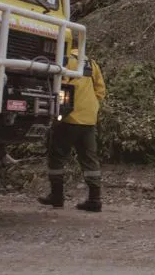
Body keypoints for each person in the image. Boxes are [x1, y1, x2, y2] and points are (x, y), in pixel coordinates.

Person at [38, 50, 106, 212]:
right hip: (89, 117)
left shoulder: (64, 59)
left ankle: (57, 196)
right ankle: (95, 199)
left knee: (57, 156)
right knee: (89, 158)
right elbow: (100, 90)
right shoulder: (91, 62)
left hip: (69, 117)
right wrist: (91, 105)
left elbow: (59, 85)